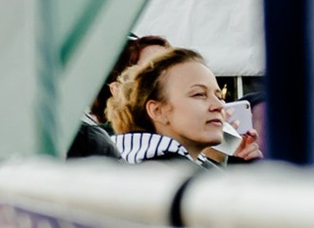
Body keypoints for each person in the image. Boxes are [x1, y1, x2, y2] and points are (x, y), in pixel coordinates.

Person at [104, 45, 260, 167]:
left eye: (219, 96)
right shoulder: (166, 175)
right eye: (199, 94)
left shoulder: (130, 164)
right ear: (157, 111)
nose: (218, 105)